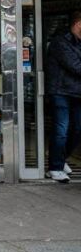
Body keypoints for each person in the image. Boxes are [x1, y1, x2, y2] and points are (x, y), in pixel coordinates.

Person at [45, 10, 81, 183]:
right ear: (78, 24)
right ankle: (55, 167)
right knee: (61, 131)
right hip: (61, 92)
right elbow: (75, 66)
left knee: (77, 130)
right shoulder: (61, 42)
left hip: (77, 93)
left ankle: (61, 158)